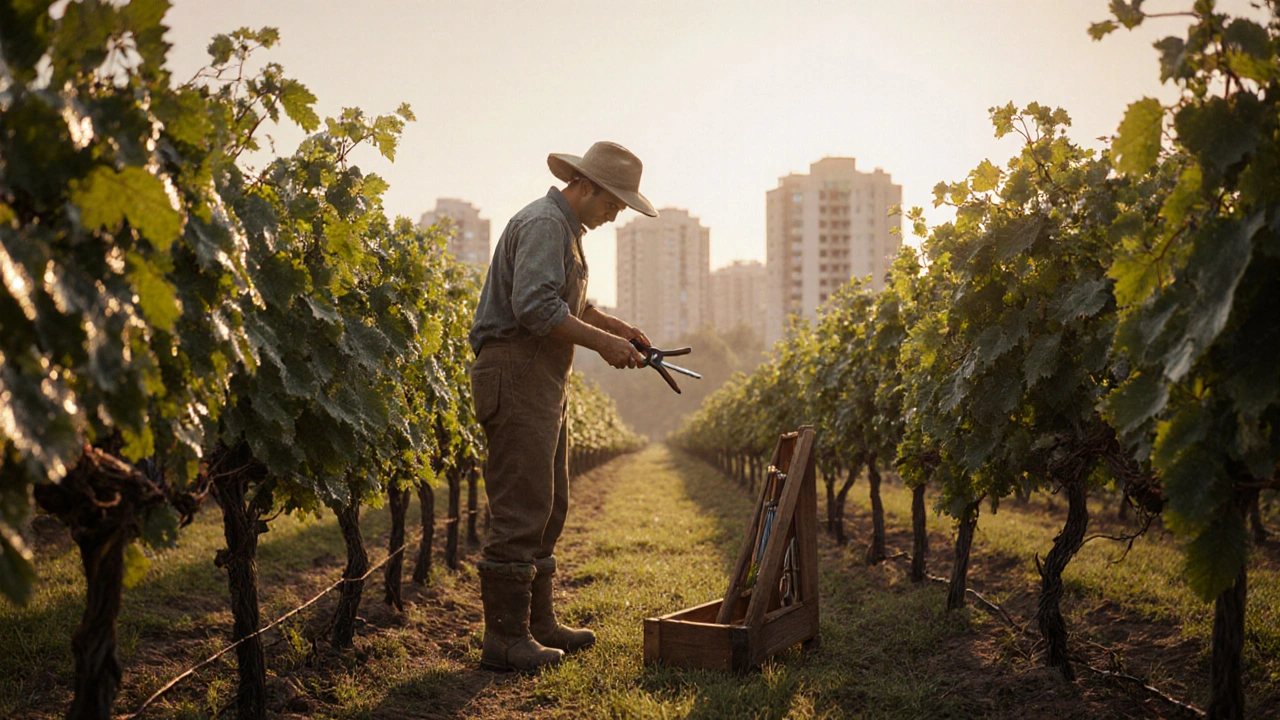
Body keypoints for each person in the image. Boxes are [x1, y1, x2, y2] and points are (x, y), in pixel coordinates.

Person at [467, 141, 657, 672]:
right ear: (586, 185)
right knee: (521, 508)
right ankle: (504, 640)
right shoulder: (546, 224)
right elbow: (534, 307)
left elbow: (564, 300)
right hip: (517, 369)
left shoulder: (565, 231)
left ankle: (538, 625)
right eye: (613, 204)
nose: (613, 215)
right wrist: (604, 345)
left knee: (549, 504)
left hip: (542, 377)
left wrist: (615, 326)